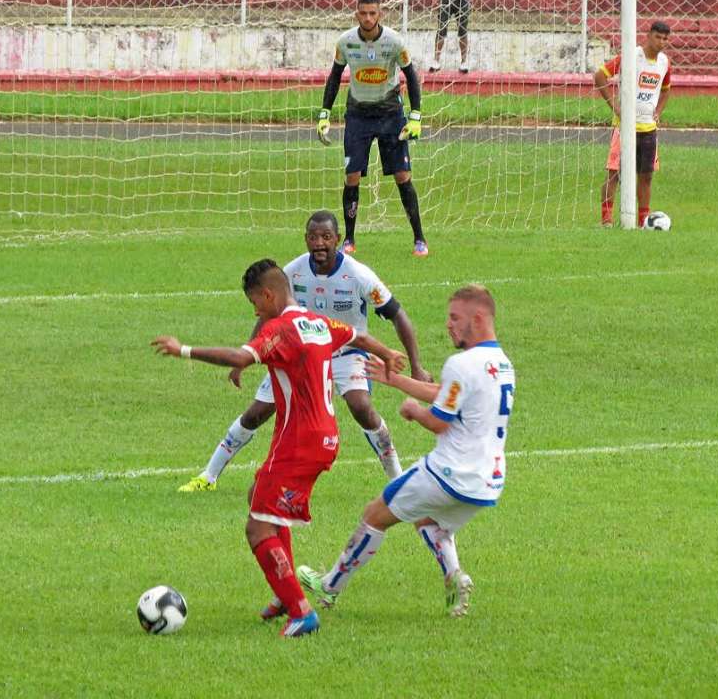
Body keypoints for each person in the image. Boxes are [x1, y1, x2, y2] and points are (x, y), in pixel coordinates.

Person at [152, 259, 406, 638]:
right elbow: (358, 336)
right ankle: (284, 594)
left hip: (298, 442)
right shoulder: (317, 322)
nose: (255, 311)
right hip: (325, 438)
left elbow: (240, 357)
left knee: (257, 529)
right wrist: (388, 354)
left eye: (255, 303)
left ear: (268, 295)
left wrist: (183, 349)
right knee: (260, 496)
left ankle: (301, 613)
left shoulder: (282, 329)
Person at [297, 284, 515, 619]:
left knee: (375, 515)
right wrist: (395, 381)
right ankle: (455, 577)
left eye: (455, 318)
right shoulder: (501, 364)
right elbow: (447, 394)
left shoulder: (462, 363)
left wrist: (413, 412)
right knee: (429, 521)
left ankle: (328, 587)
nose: (448, 324)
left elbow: (440, 421)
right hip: (487, 481)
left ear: (479, 317)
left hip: (447, 473)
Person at [178, 210, 433, 493]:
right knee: (257, 413)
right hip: (301, 353)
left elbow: (398, 315)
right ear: (305, 239)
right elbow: (266, 314)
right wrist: (244, 359)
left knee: (361, 407)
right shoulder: (293, 272)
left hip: (348, 352)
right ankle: (209, 476)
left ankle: (397, 480)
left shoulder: (359, 275)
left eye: (326, 237)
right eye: (313, 237)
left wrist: (417, 366)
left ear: (337, 239)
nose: (319, 243)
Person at [315, 0, 429, 257]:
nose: (368, 18)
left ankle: (419, 239)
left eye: (373, 13)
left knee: (403, 176)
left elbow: (411, 76)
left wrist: (415, 116)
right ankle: (349, 240)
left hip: (390, 113)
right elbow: (334, 77)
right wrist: (324, 113)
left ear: (380, 15)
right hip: (358, 114)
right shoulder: (345, 42)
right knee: (352, 176)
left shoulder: (394, 41)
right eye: (363, 13)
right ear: (357, 14)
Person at [594, 21, 672, 228]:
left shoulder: (664, 62)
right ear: (648, 36)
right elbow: (600, 75)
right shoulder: (631, 57)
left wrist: (658, 112)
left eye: (666, 39)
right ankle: (606, 219)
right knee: (615, 174)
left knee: (646, 176)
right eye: (658, 37)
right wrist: (615, 107)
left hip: (648, 128)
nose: (662, 42)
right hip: (625, 128)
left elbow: (665, 89)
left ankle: (642, 221)